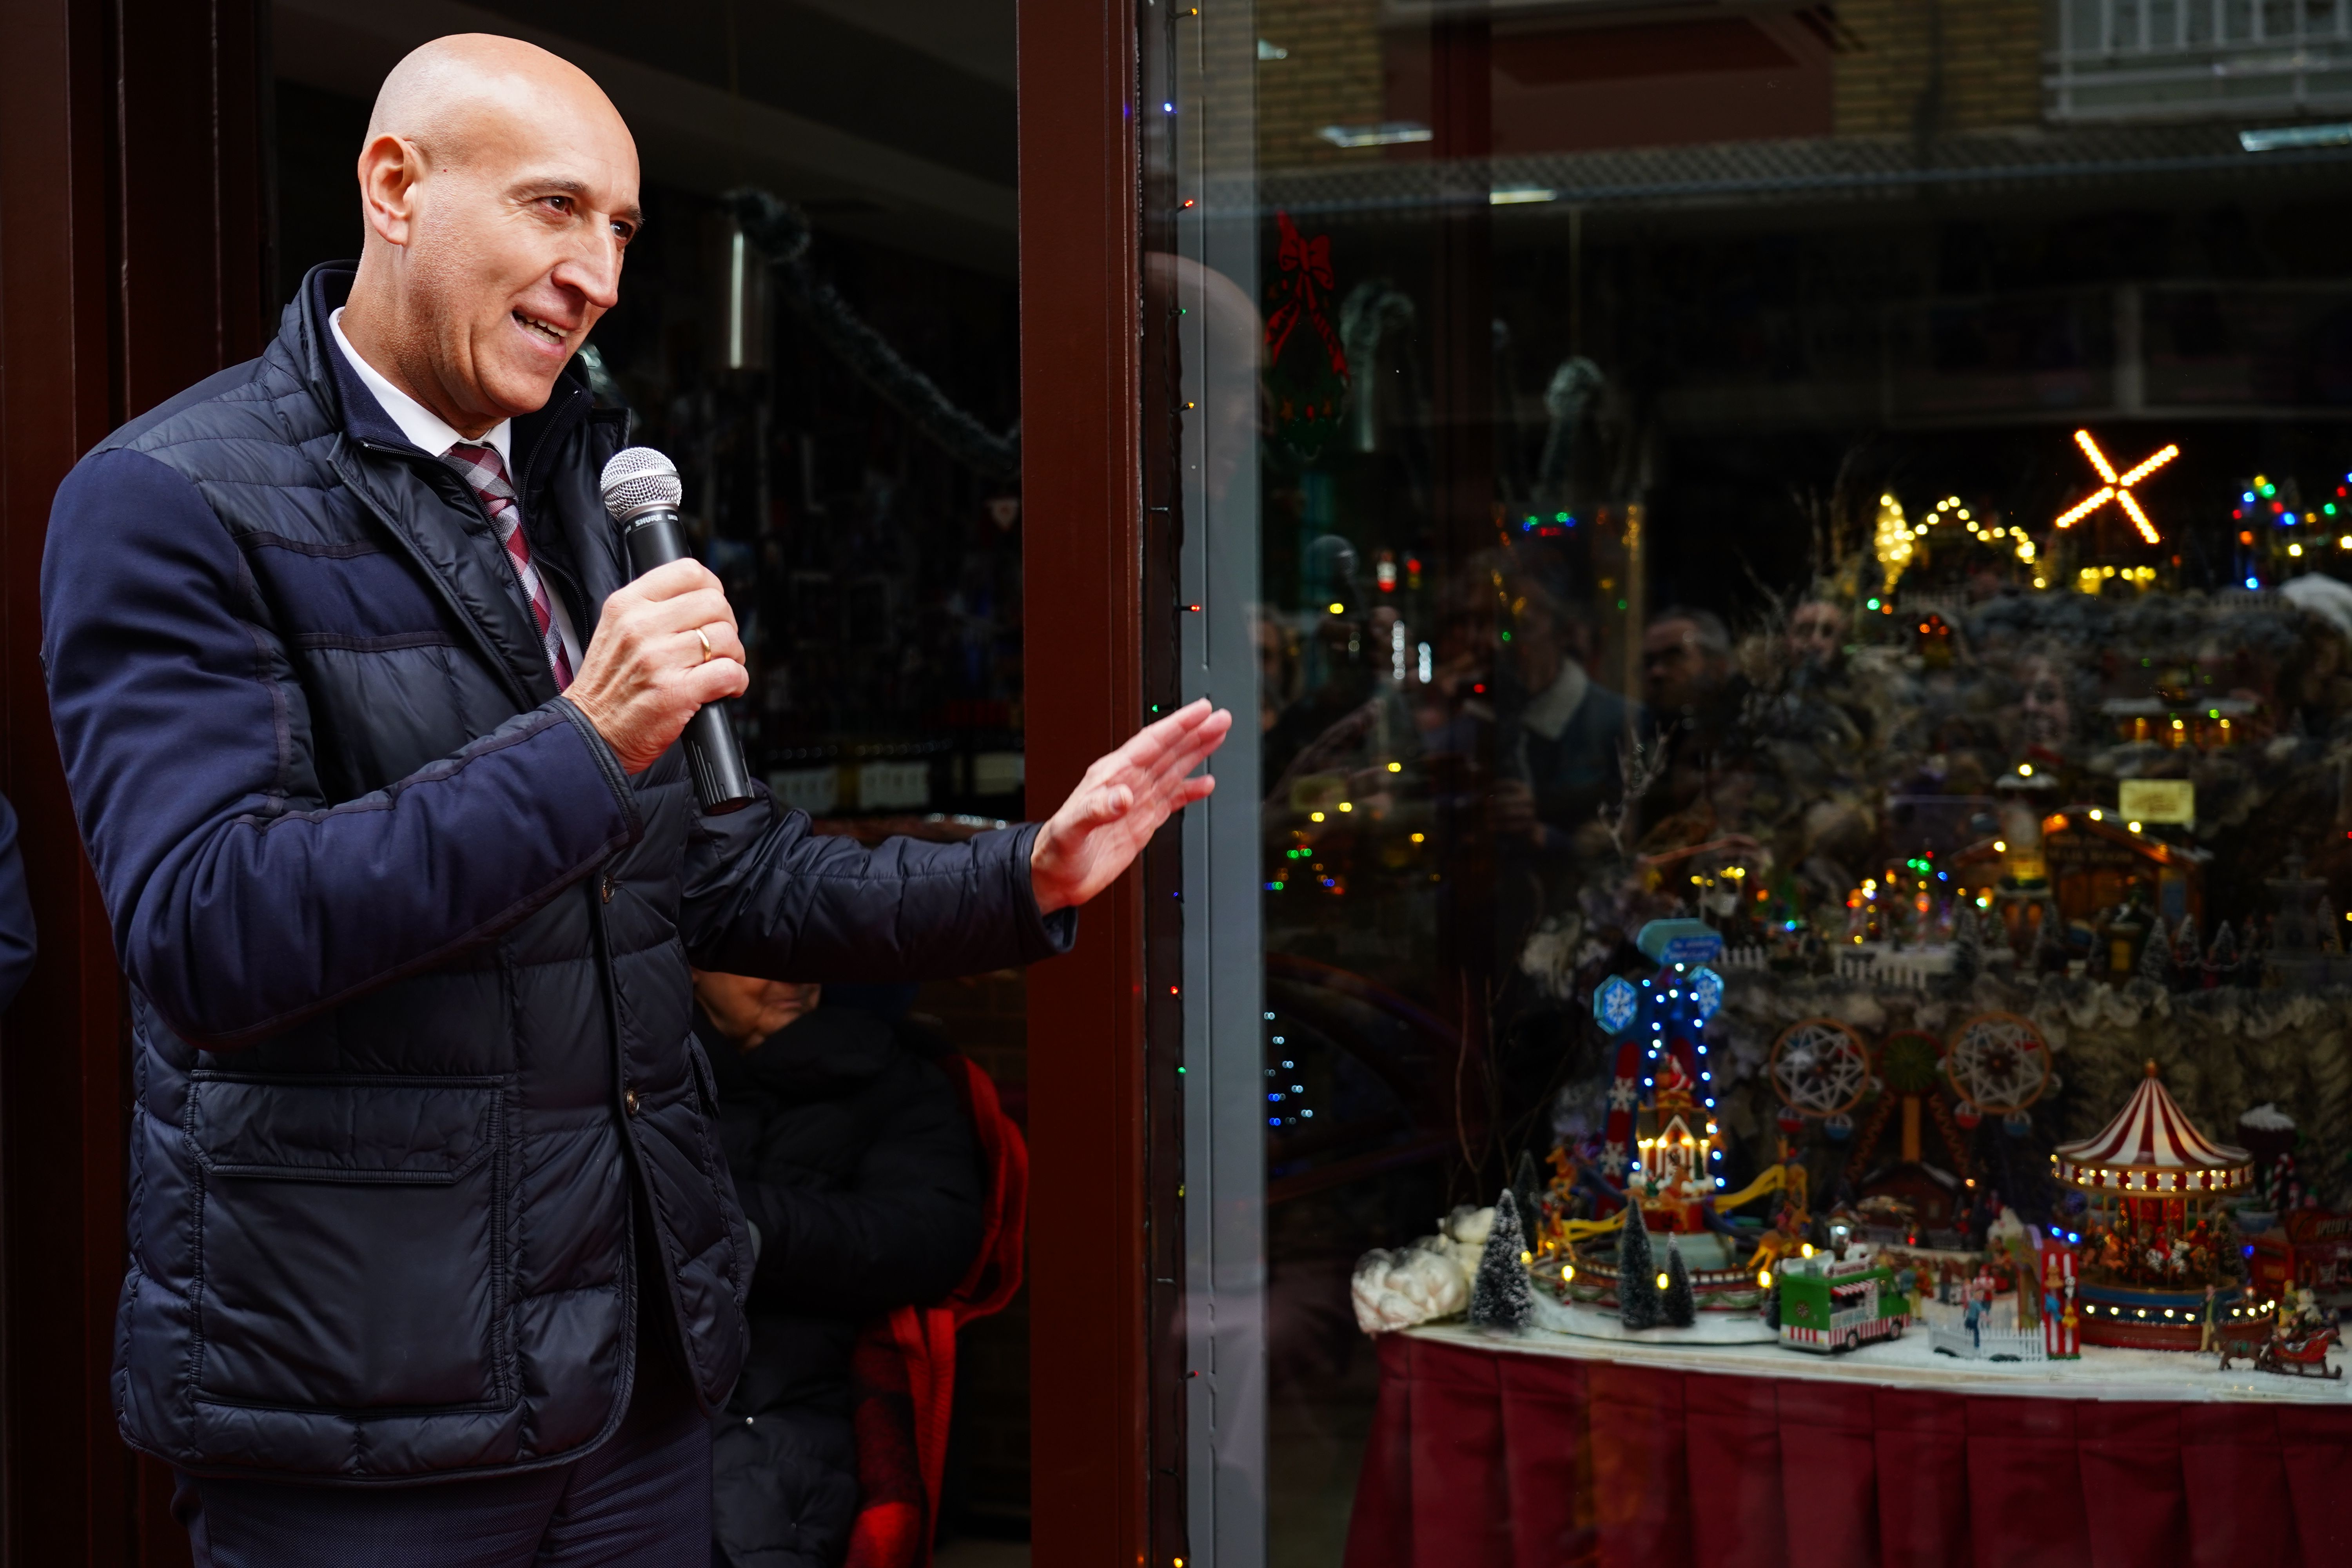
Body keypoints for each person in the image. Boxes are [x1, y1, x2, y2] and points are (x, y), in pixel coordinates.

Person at [39, 34, 1229, 1568]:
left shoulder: (581, 493)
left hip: (639, 1386)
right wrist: (585, 743)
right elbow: (215, 932)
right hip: (368, 1408)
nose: (594, 269)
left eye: (618, 229)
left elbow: (722, 875)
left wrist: (1022, 878)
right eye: (552, 209)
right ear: (395, 188)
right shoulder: (171, 502)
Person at [691, 974, 1009, 1568]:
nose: (797, 975)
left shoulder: (891, 1078)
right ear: (694, 967)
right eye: (759, 956)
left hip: (794, 1398)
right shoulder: (636, 1072)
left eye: (811, 954)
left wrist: (745, 1227)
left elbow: (929, 1236)